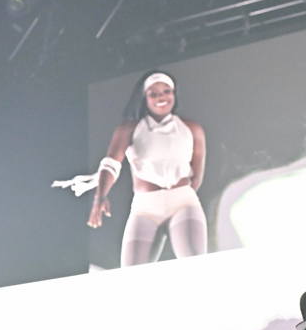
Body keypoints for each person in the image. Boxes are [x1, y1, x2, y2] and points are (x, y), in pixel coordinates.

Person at [59, 70, 207, 267]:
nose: (161, 97)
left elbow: (196, 173)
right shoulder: (129, 129)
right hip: (145, 208)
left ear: (174, 94)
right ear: (144, 98)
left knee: (196, 265)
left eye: (166, 91)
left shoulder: (191, 128)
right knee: (132, 273)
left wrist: (181, 196)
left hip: (183, 204)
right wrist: (100, 197)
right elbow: (111, 163)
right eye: (153, 93)